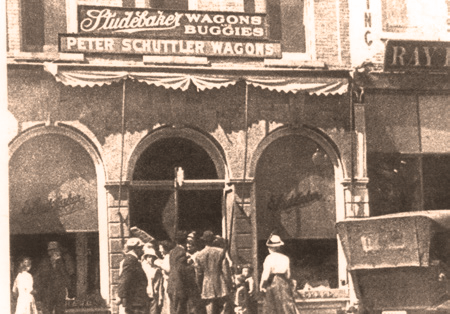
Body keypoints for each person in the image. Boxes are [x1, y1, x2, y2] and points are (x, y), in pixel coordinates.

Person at [259, 234, 300, 314]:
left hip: (272, 283)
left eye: (269, 247)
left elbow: (265, 275)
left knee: (272, 307)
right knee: (286, 306)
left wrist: (262, 285)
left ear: (271, 248)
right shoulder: (285, 258)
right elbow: (288, 275)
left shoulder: (269, 258)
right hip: (284, 282)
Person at [195, 231, 232, 314]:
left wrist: (199, 286)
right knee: (224, 309)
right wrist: (229, 284)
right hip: (220, 283)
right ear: (213, 241)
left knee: (210, 310)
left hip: (207, 284)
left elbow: (199, 274)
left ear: (204, 241)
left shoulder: (199, 255)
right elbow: (225, 271)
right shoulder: (221, 252)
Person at [35, 241, 75, 314]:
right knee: (46, 310)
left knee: (59, 310)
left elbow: (68, 275)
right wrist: (39, 290)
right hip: (47, 291)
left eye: (54, 250)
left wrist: (70, 289)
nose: (52, 252)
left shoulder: (64, 260)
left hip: (60, 291)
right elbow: (39, 276)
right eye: (50, 250)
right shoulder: (45, 262)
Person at [116, 238, 149, 314]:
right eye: (141, 248)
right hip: (134, 300)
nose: (142, 251)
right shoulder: (130, 260)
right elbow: (124, 279)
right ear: (136, 249)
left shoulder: (134, 260)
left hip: (137, 300)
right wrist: (120, 295)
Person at [142, 245, 163, 314]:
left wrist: (160, 297)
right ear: (146, 258)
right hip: (144, 295)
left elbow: (160, 284)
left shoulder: (157, 270)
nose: (150, 259)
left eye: (152, 257)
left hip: (154, 296)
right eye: (149, 257)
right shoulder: (143, 268)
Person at [154, 240, 174, 314]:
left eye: (161, 248)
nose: (160, 250)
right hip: (166, 283)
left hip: (168, 282)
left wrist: (159, 264)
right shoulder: (166, 257)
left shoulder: (168, 257)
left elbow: (168, 269)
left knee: (169, 302)